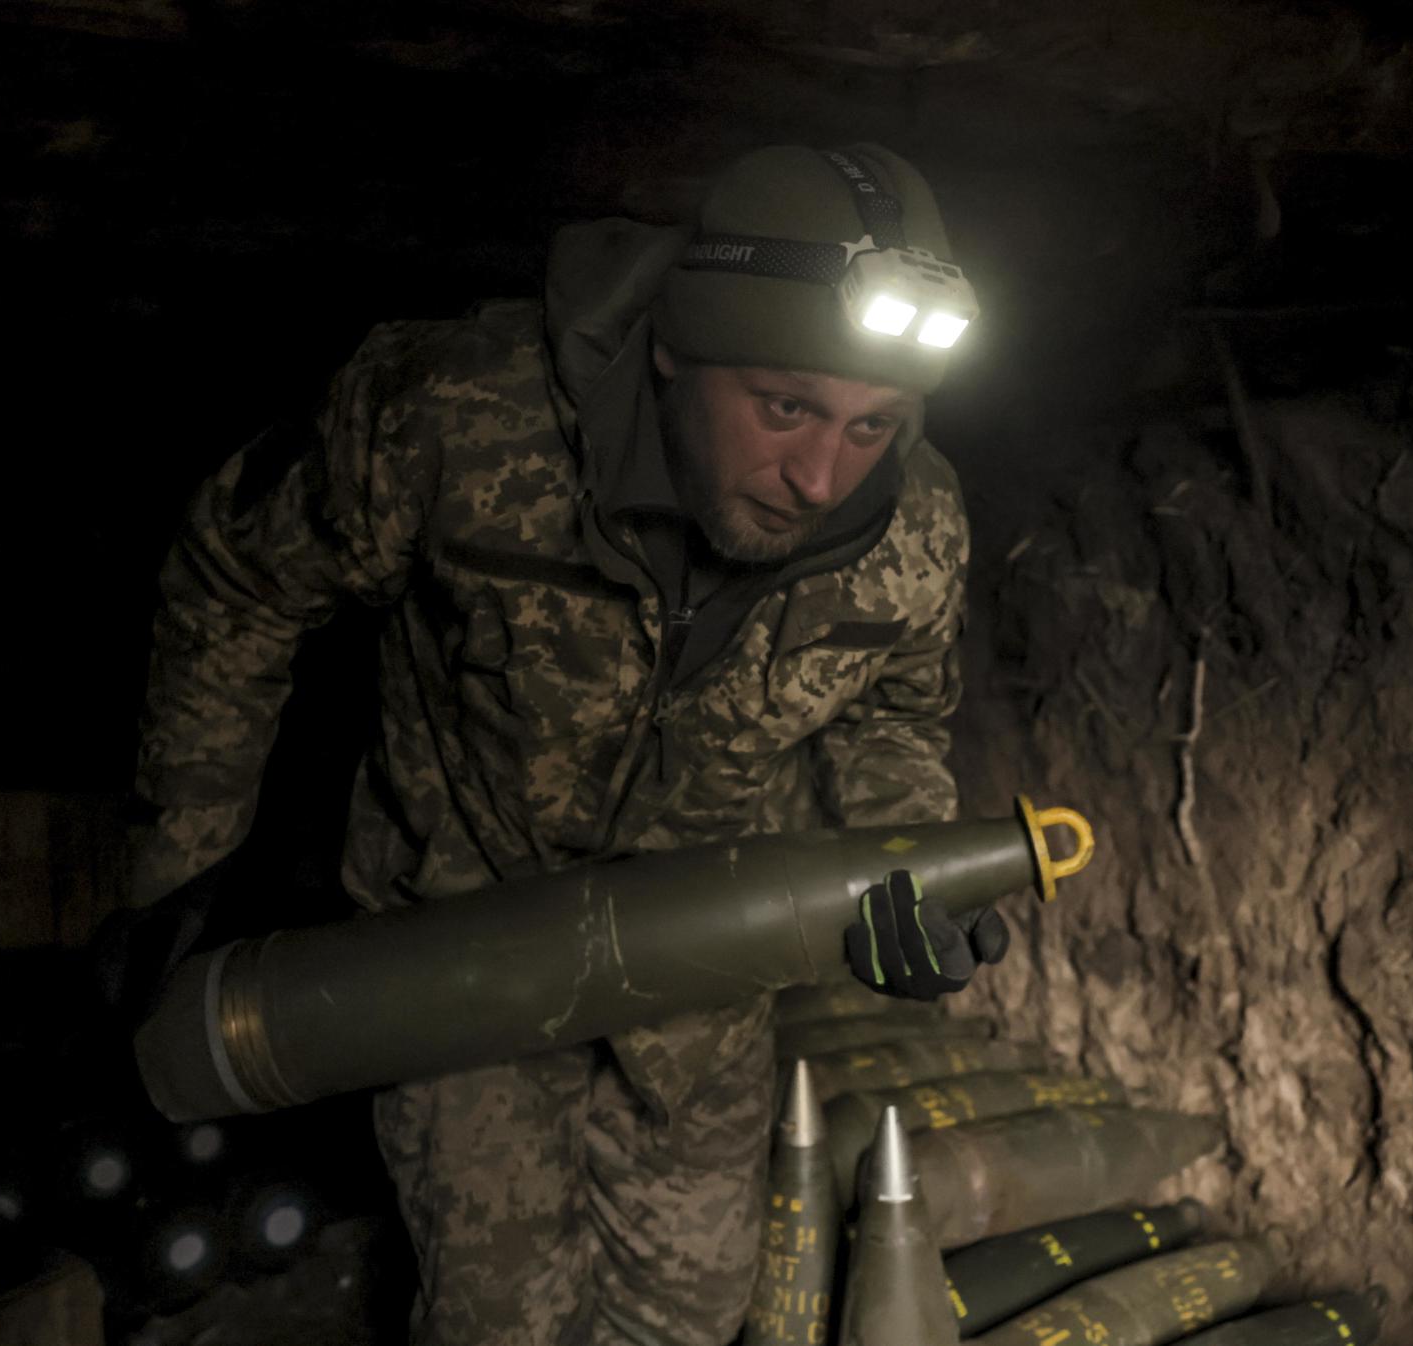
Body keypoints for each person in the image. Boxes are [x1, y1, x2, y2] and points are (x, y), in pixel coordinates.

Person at [127, 143, 1008, 1345]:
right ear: (671, 350)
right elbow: (241, 578)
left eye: (872, 425)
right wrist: (187, 853)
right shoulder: (455, 415)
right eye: (786, 405)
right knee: (503, 1321)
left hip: (699, 976)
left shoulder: (913, 527)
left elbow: (894, 711)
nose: (818, 477)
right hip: (457, 958)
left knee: (689, 1315)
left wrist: (906, 860)